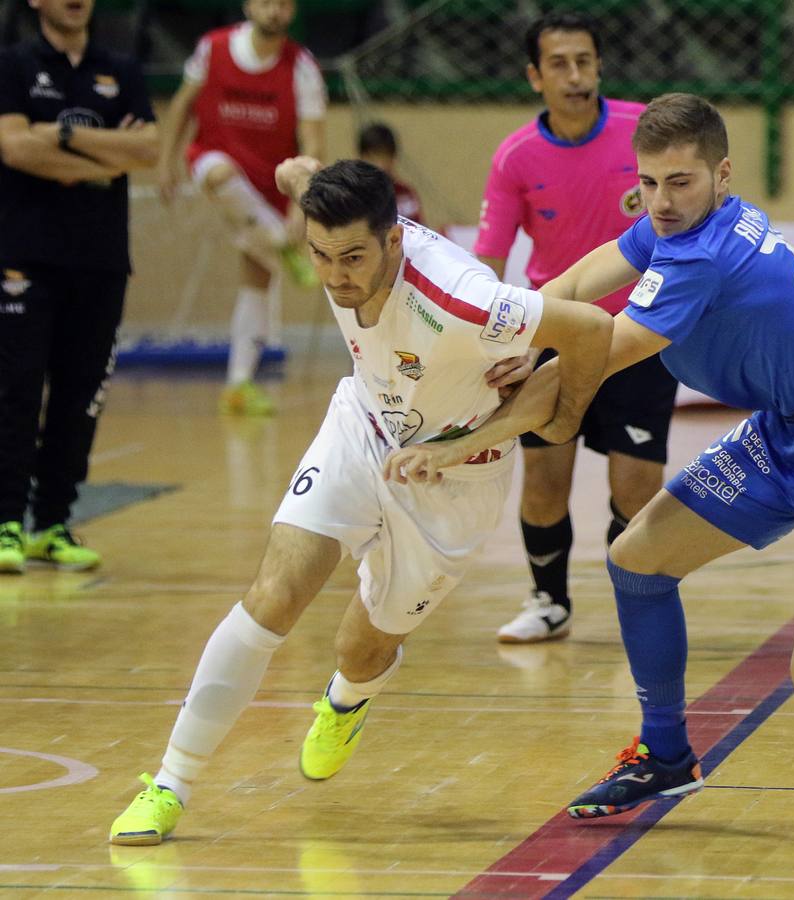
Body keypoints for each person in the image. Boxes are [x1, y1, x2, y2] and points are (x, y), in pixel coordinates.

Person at [443, 93, 794, 832]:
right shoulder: (672, 229)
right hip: (787, 440)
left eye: (680, 182)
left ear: (723, 175)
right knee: (637, 559)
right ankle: (667, 755)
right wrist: (507, 342)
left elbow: (595, 355)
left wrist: (466, 429)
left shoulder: (702, 256)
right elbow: (573, 287)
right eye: (648, 183)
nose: (661, 201)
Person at [107, 158, 613, 845]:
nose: (336, 274)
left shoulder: (463, 300)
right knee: (274, 596)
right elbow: (303, 179)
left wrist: (562, 416)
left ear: (395, 241)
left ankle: (347, 699)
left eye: (352, 257)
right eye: (320, 256)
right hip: (364, 425)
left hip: (454, 477)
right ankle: (170, 783)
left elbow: (589, 327)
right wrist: (293, 173)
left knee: (361, 646)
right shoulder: (331, 230)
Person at [475, 12, 679, 644]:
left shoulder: (640, 130)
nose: (575, 76)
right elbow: (486, 263)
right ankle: (548, 600)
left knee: (637, 486)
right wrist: (486, 342)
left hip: (639, 335)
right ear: (535, 76)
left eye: (585, 61)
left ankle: (634, 599)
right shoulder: (515, 157)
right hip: (554, 336)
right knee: (543, 480)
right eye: (559, 64)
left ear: (599, 66)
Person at [0, 0, 157, 573]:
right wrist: (103, 155)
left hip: (101, 262)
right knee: (16, 393)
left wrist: (56, 139)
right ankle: (6, 522)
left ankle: (53, 524)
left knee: (79, 397)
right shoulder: (13, 65)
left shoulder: (123, 69)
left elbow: (147, 150)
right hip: (25, 260)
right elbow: (13, 147)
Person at [156, 0, 327, 417]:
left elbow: (314, 144)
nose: (276, 11)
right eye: (268, 2)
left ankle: (239, 385)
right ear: (249, 5)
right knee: (219, 175)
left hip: (270, 187)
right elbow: (181, 105)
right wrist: (166, 160)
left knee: (256, 280)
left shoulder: (302, 67)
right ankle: (279, 244)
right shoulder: (212, 48)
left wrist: (299, 205)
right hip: (213, 160)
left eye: (285, 4)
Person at [356, 121, 424, 225]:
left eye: (383, 156)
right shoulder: (353, 193)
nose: (378, 165)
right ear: (361, 157)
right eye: (371, 157)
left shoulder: (404, 194)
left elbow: (418, 230)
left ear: (393, 158)